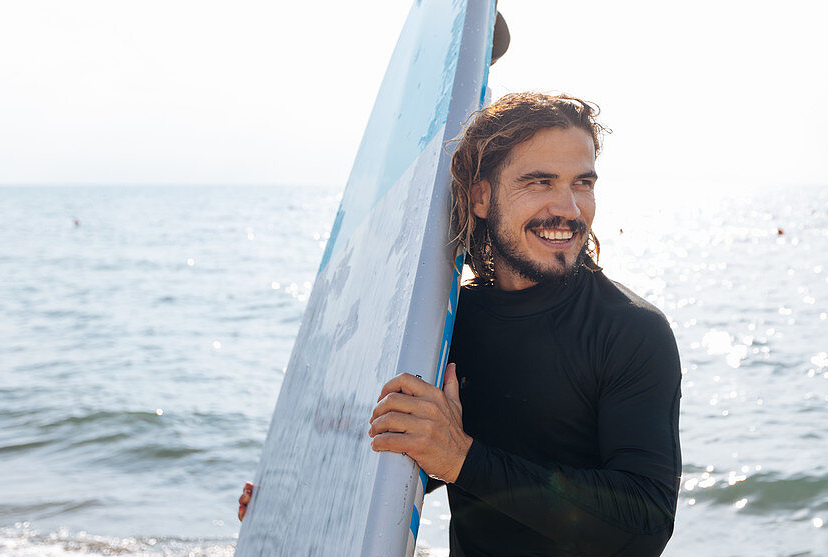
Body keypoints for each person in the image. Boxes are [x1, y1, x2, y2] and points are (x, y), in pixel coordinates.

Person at [240, 92, 682, 555]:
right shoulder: (446, 322)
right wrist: (292, 506)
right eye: (540, 182)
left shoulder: (630, 331)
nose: (569, 209)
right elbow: (410, 454)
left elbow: (646, 522)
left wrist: (462, 458)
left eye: (582, 183)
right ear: (481, 197)